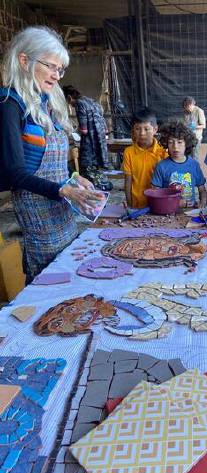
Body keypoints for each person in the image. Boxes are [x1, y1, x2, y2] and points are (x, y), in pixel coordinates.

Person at [0, 26, 104, 284]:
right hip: (38, 218)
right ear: (25, 60)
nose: (57, 75)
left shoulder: (44, 102)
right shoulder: (10, 104)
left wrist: (74, 178)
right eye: (51, 67)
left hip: (63, 214)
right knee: (47, 282)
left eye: (61, 69)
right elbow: (15, 172)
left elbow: (53, 163)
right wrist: (64, 190)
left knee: (69, 271)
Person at [63, 85, 112, 191]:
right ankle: (104, 184)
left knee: (87, 168)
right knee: (97, 166)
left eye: (68, 102)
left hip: (90, 143)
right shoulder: (92, 101)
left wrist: (73, 132)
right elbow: (105, 128)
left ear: (69, 97)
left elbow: (84, 130)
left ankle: (94, 189)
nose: (70, 105)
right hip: (101, 141)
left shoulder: (79, 104)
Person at [151, 121, 207, 208]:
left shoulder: (194, 165)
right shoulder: (161, 166)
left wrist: (202, 202)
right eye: (171, 142)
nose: (175, 147)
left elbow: (202, 189)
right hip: (168, 212)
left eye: (180, 142)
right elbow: (155, 194)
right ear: (166, 143)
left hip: (190, 212)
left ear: (187, 143)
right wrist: (176, 203)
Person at [122, 107, 167, 208]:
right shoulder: (128, 152)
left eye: (146, 129)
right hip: (137, 204)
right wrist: (130, 205)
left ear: (155, 129)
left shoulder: (163, 152)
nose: (142, 133)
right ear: (133, 130)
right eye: (138, 129)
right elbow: (128, 181)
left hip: (159, 203)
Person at [182, 96, 206, 162]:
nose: (186, 109)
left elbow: (204, 125)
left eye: (186, 107)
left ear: (191, 104)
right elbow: (184, 122)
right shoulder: (185, 112)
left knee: (195, 155)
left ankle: (195, 169)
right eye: (184, 107)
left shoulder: (199, 111)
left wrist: (194, 126)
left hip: (196, 137)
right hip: (187, 136)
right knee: (187, 154)